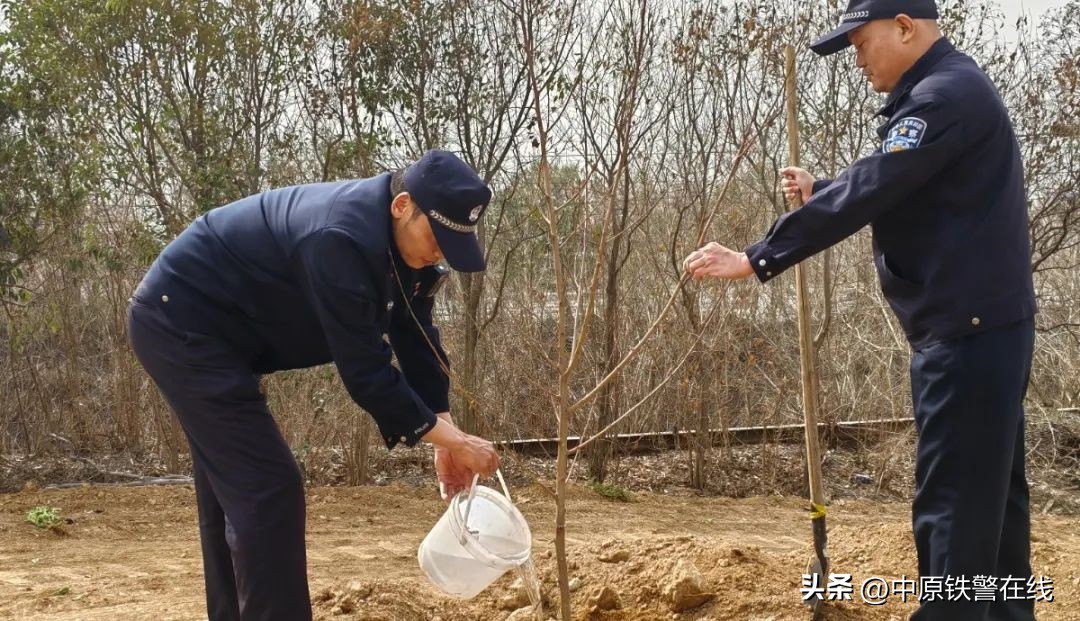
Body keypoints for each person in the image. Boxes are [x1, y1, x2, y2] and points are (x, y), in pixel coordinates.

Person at [683, 1, 1036, 619]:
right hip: (985, 332)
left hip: (966, 339)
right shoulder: (949, 92)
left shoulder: (941, 97)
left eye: (861, 41)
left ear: (905, 26)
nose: (857, 58)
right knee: (992, 514)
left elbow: (874, 185)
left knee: (953, 510)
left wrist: (757, 256)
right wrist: (825, 193)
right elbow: (907, 190)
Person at [128, 150, 500, 621]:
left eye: (452, 243)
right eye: (437, 236)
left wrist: (442, 427)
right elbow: (367, 374)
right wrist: (456, 442)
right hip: (180, 322)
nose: (440, 252)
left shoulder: (402, 247)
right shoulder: (338, 239)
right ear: (402, 205)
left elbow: (415, 331)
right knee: (268, 490)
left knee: (237, 495)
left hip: (223, 340)